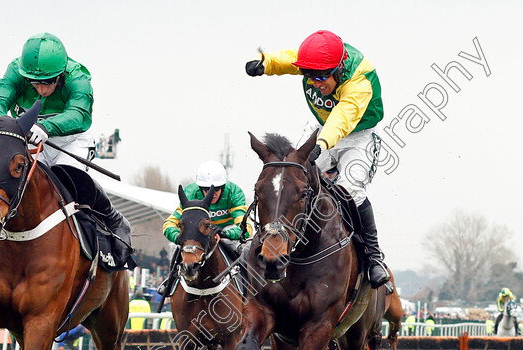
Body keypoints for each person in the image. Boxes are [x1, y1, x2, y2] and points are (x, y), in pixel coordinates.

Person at [245, 30, 389, 288]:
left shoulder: (359, 82)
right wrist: (265, 63)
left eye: (322, 77)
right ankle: (276, 241)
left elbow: (343, 118)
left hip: (357, 135)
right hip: (323, 125)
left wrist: (320, 145)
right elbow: (290, 59)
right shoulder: (317, 62)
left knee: (350, 189)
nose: (316, 83)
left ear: (340, 67)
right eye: (310, 76)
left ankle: (373, 257)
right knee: (292, 179)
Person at [0, 32, 132, 263]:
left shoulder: (79, 78)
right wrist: (1, 124)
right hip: (32, 140)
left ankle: (114, 220)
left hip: (71, 141)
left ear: (61, 75)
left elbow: (79, 114)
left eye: (48, 82)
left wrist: (47, 126)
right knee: (22, 185)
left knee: (71, 180)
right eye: (35, 83)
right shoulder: (15, 71)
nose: (41, 90)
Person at [159, 161, 250, 294]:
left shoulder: (234, 192)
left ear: (223, 186)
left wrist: (227, 234)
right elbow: (168, 225)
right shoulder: (190, 192)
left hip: (225, 233)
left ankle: (251, 285)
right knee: (181, 249)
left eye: (216, 189)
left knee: (244, 249)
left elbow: (246, 229)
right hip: (199, 235)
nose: (211, 194)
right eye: (206, 190)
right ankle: (170, 280)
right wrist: (179, 238)